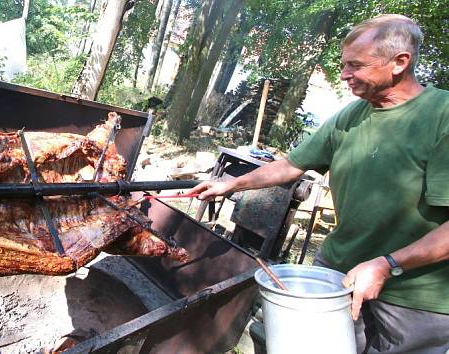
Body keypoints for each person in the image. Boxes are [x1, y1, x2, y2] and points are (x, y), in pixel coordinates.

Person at [189, 14, 449, 354]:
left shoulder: (441, 117)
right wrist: (231, 185)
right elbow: (290, 166)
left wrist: (387, 264)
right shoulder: (351, 115)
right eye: (344, 65)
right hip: (339, 273)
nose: (344, 75)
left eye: (356, 65)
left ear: (400, 62)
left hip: (417, 298)